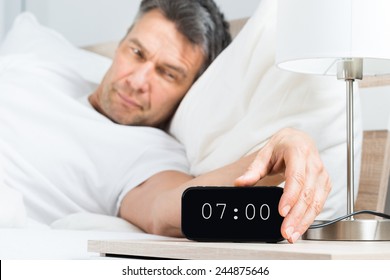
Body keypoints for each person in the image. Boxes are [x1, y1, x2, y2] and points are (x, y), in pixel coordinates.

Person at [0, 0, 330, 244]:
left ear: (190, 90)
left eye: (168, 73)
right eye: (137, 53)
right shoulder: (39, 68)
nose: (138, 80)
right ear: (122, 43)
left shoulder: (149, 153)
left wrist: (277, 152)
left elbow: (167, 209)